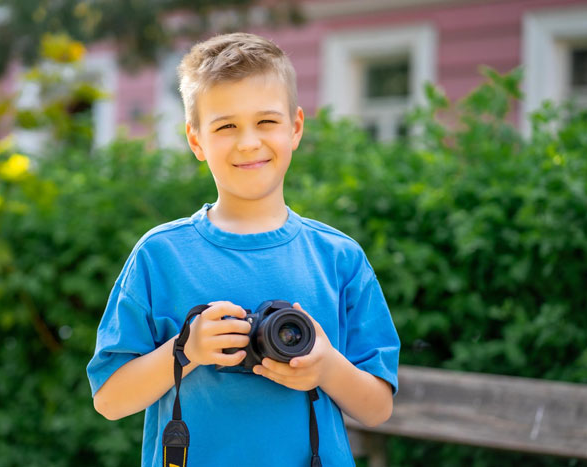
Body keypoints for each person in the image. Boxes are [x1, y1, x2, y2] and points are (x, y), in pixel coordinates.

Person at [87, 32, 400, 467]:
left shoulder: (339, 258)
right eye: (226, 125)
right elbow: (109, 399)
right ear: (196, 140)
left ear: (295, 128)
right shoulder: (160, 256)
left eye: (267, 122)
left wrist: (326, 366)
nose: (249, 142)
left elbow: (378, 407)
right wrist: (185, 350)